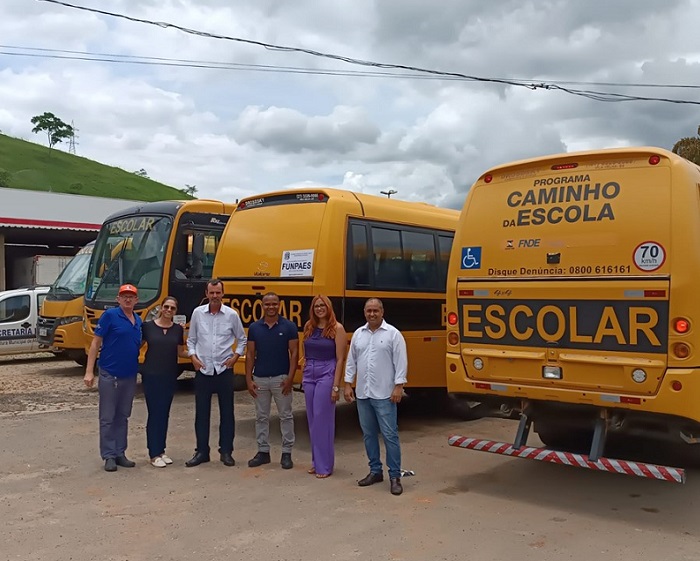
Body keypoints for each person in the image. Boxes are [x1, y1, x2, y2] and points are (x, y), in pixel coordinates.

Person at [344, 298, 408, 496]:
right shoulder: (358, 334)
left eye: (375, 310)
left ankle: (395, 476)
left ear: (382, 312)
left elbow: (401, 361)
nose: (372, 314)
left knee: (390, 435)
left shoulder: (393, 334)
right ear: (364, 312)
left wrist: (399, 386)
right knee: (369, 434)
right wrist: (347, 384)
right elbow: (351, 361)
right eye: (369, 311)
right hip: (363, 393)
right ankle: (375, 471)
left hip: (385, 394)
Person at [185, 279, 246, 468]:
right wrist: (193, 357)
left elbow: (242, 339)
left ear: (223, 294)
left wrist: (235, 357)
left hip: (224, 370)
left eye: (218, 292)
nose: (214, 296)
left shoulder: (232, 315)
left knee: (227, 413)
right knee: (201, 413)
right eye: (211, 293)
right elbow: (191, 340)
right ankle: (202, 451)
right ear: (206, 293)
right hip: (203, 369)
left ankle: (226, 451)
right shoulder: (197, 313)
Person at [83, 284, 143, 472]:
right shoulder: (109, 316)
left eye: (131, 296)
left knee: (123, 416)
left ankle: (120, 452)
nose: (127, 299)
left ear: (136, 300)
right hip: (110, 374)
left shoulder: (138, 320)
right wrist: (89, 371)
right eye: (124, 296)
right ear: (118, 299)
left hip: (129, 375)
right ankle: (108, 455)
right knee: (108, 417)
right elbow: (95, 343)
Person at [245, 292, 299, 469]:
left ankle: (286, 453)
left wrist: (290, 378)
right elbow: (250, 354)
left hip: (281, 379)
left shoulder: (289, 326)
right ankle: (263, 452)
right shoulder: (254, 328)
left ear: (279, 305)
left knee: (286, 416)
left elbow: (294, 353)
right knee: (261, 417)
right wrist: (248, 379)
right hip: (260, 378)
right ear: (262, 306)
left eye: (274, 304)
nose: (271, 307)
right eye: (267, 304)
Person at [302, 295, 346, 478]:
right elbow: (306, 350)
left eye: (323, 306)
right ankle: (316, 462)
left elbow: (340, 359)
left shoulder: (337, 328)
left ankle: (325, 466)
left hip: (326, 373)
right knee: (312, 420)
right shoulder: (309, 326)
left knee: (323, 419)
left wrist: (336, 386)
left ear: (329, 308)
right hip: (309, 374)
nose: (319, 309)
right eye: (316, 306)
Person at [140, 296, 188, 468]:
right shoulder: (148, 327)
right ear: (161, 308)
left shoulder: (178, 330)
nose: (168, 310)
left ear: (176, 311)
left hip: (169, 376)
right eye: (166, 307)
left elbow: (181, 352)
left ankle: (161, 450)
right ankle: (153, 453)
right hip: (151, 375)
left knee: (164, 413)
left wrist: (199, 354)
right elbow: (137, 346)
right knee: (154, 413)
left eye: (172, 308)